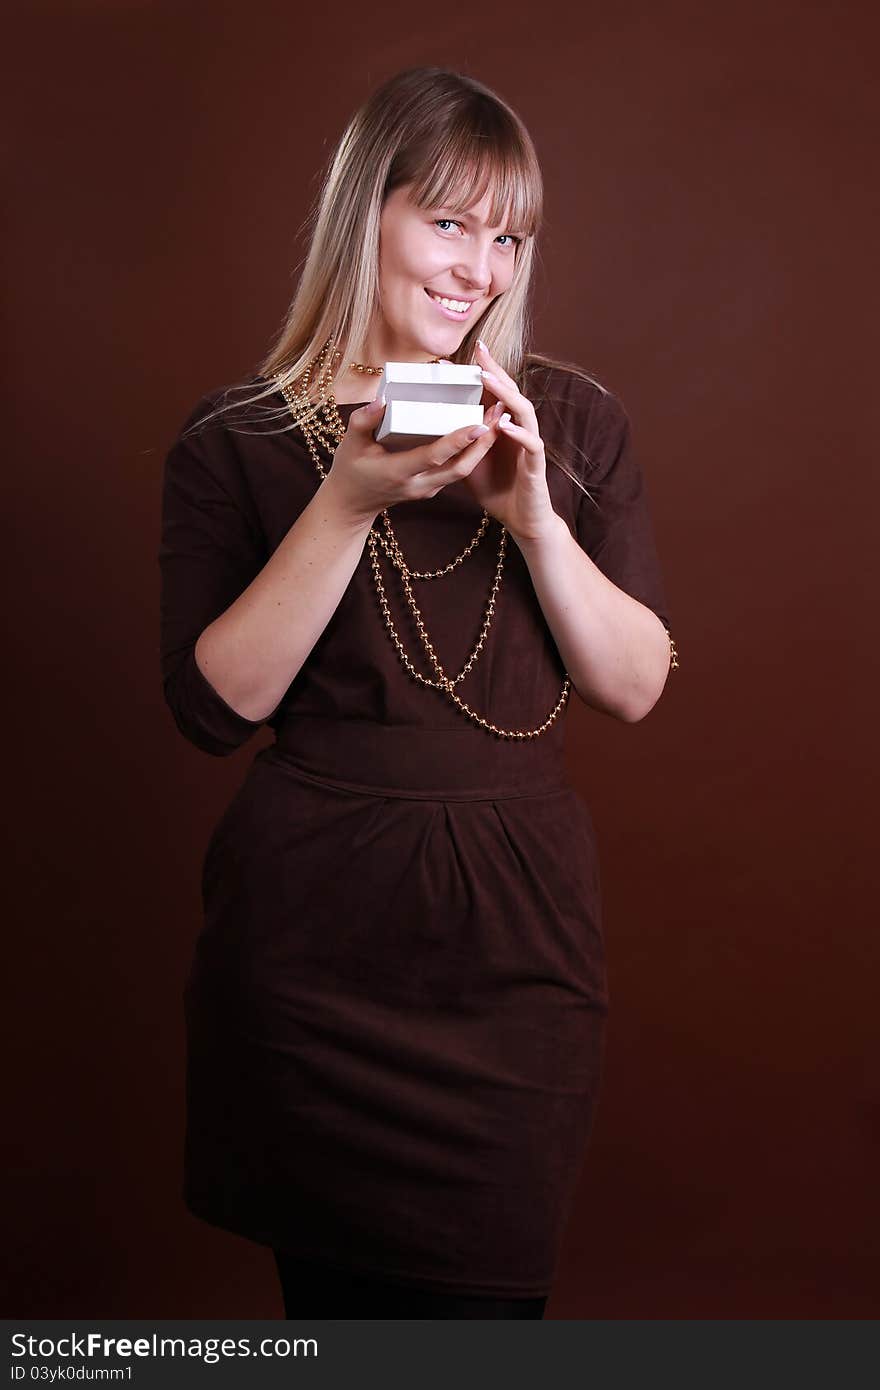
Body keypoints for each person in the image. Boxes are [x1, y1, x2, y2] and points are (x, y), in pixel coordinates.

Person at [158, 65, 678, 1321]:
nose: (478, 269)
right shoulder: (237, 437)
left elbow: (633, 686)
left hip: (516, 940)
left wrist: (537, 523)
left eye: (508, 237)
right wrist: (345, 501)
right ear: (365, 216)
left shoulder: (573, 422)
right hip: (312, 940)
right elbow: (212, 706)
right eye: (448, 221)